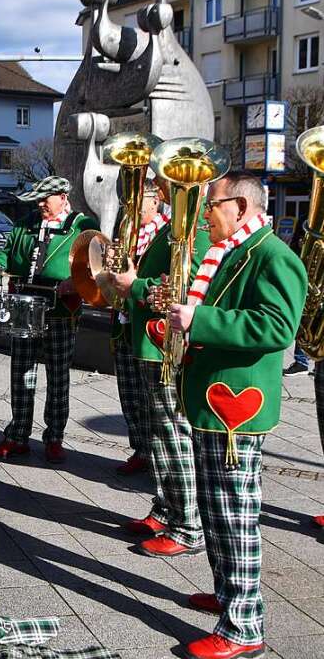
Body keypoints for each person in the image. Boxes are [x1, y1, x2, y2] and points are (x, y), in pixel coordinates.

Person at [164, 172, 305, 659]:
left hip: (236, 412)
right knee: (217, 511)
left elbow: (277, 327)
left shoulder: (272, 256)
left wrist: (198, 319)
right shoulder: (235, 251)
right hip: (213, 403)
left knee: (235, 515)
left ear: (241, 208)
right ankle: (230, 597)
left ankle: (244, 626)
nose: (204, 214)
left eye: (212, 205)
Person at [107, 177, 211, 559]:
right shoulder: (173, 227)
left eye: (168, 181)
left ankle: (188, 525)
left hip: (166, 345)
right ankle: (167, 508)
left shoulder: (195, 231)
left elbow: (185, 285)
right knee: (155, 435)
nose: (160, 187)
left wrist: (134, 285)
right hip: (148, 340)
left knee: (172, 434)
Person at [0, 176, 99, 463]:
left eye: (45, 199)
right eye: (38, 199)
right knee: (21, 372)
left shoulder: (82, 226)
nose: (40, 204)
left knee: (58, 376)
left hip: (61, 311)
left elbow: (96, 267)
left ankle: (54, 437)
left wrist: (75, 284)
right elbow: (6, 253)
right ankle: (17, 435)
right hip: (25, 308)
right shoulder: (27, 222)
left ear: (63, 197)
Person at [107, 181, 162, 476]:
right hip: (123, 322)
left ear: (155, 201)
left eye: (137, 200)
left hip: (148, 324)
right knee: (128, 391)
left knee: (150, 396)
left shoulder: (165, 233)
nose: (130, 206)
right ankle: (140, 448)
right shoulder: (127, 232)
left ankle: (157, 453)